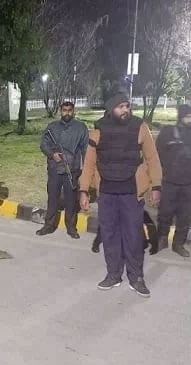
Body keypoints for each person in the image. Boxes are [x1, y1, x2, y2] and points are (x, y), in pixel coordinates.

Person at [78, 92, 162, 298]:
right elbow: (88, 164)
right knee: (110, 235)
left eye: (127, 106)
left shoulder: (140, 128)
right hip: (107, 193)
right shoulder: (97, 131)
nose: (126, 110)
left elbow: (153, 158)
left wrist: (157, 186)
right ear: (110, 109)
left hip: (131, 194)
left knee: (133, 236)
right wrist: (83, 190)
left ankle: (136, 278)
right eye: (121, 106)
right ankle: (113, 274)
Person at [155, 104, 191, 257]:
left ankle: (179, 244)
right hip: (170, 180)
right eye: (188, 115)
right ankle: (162, 239)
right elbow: (159, 153)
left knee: (185, 214)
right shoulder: (168, 132)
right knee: (165, 212)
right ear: (181, 116)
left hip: (189, 181)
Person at [36, 101, 89, 239]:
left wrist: (86, 170)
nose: (67, 113)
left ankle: (71, 228)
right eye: (64, 110)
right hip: (55, 168)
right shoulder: (52, 127)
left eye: (69, 110)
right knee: (52, 197)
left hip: (72, 169)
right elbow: (44, 144)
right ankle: (49, 225)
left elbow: (85, 150)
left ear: (73, 111)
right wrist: (52, 154)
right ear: (61, 111)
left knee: (71, 200)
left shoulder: (81, 128)